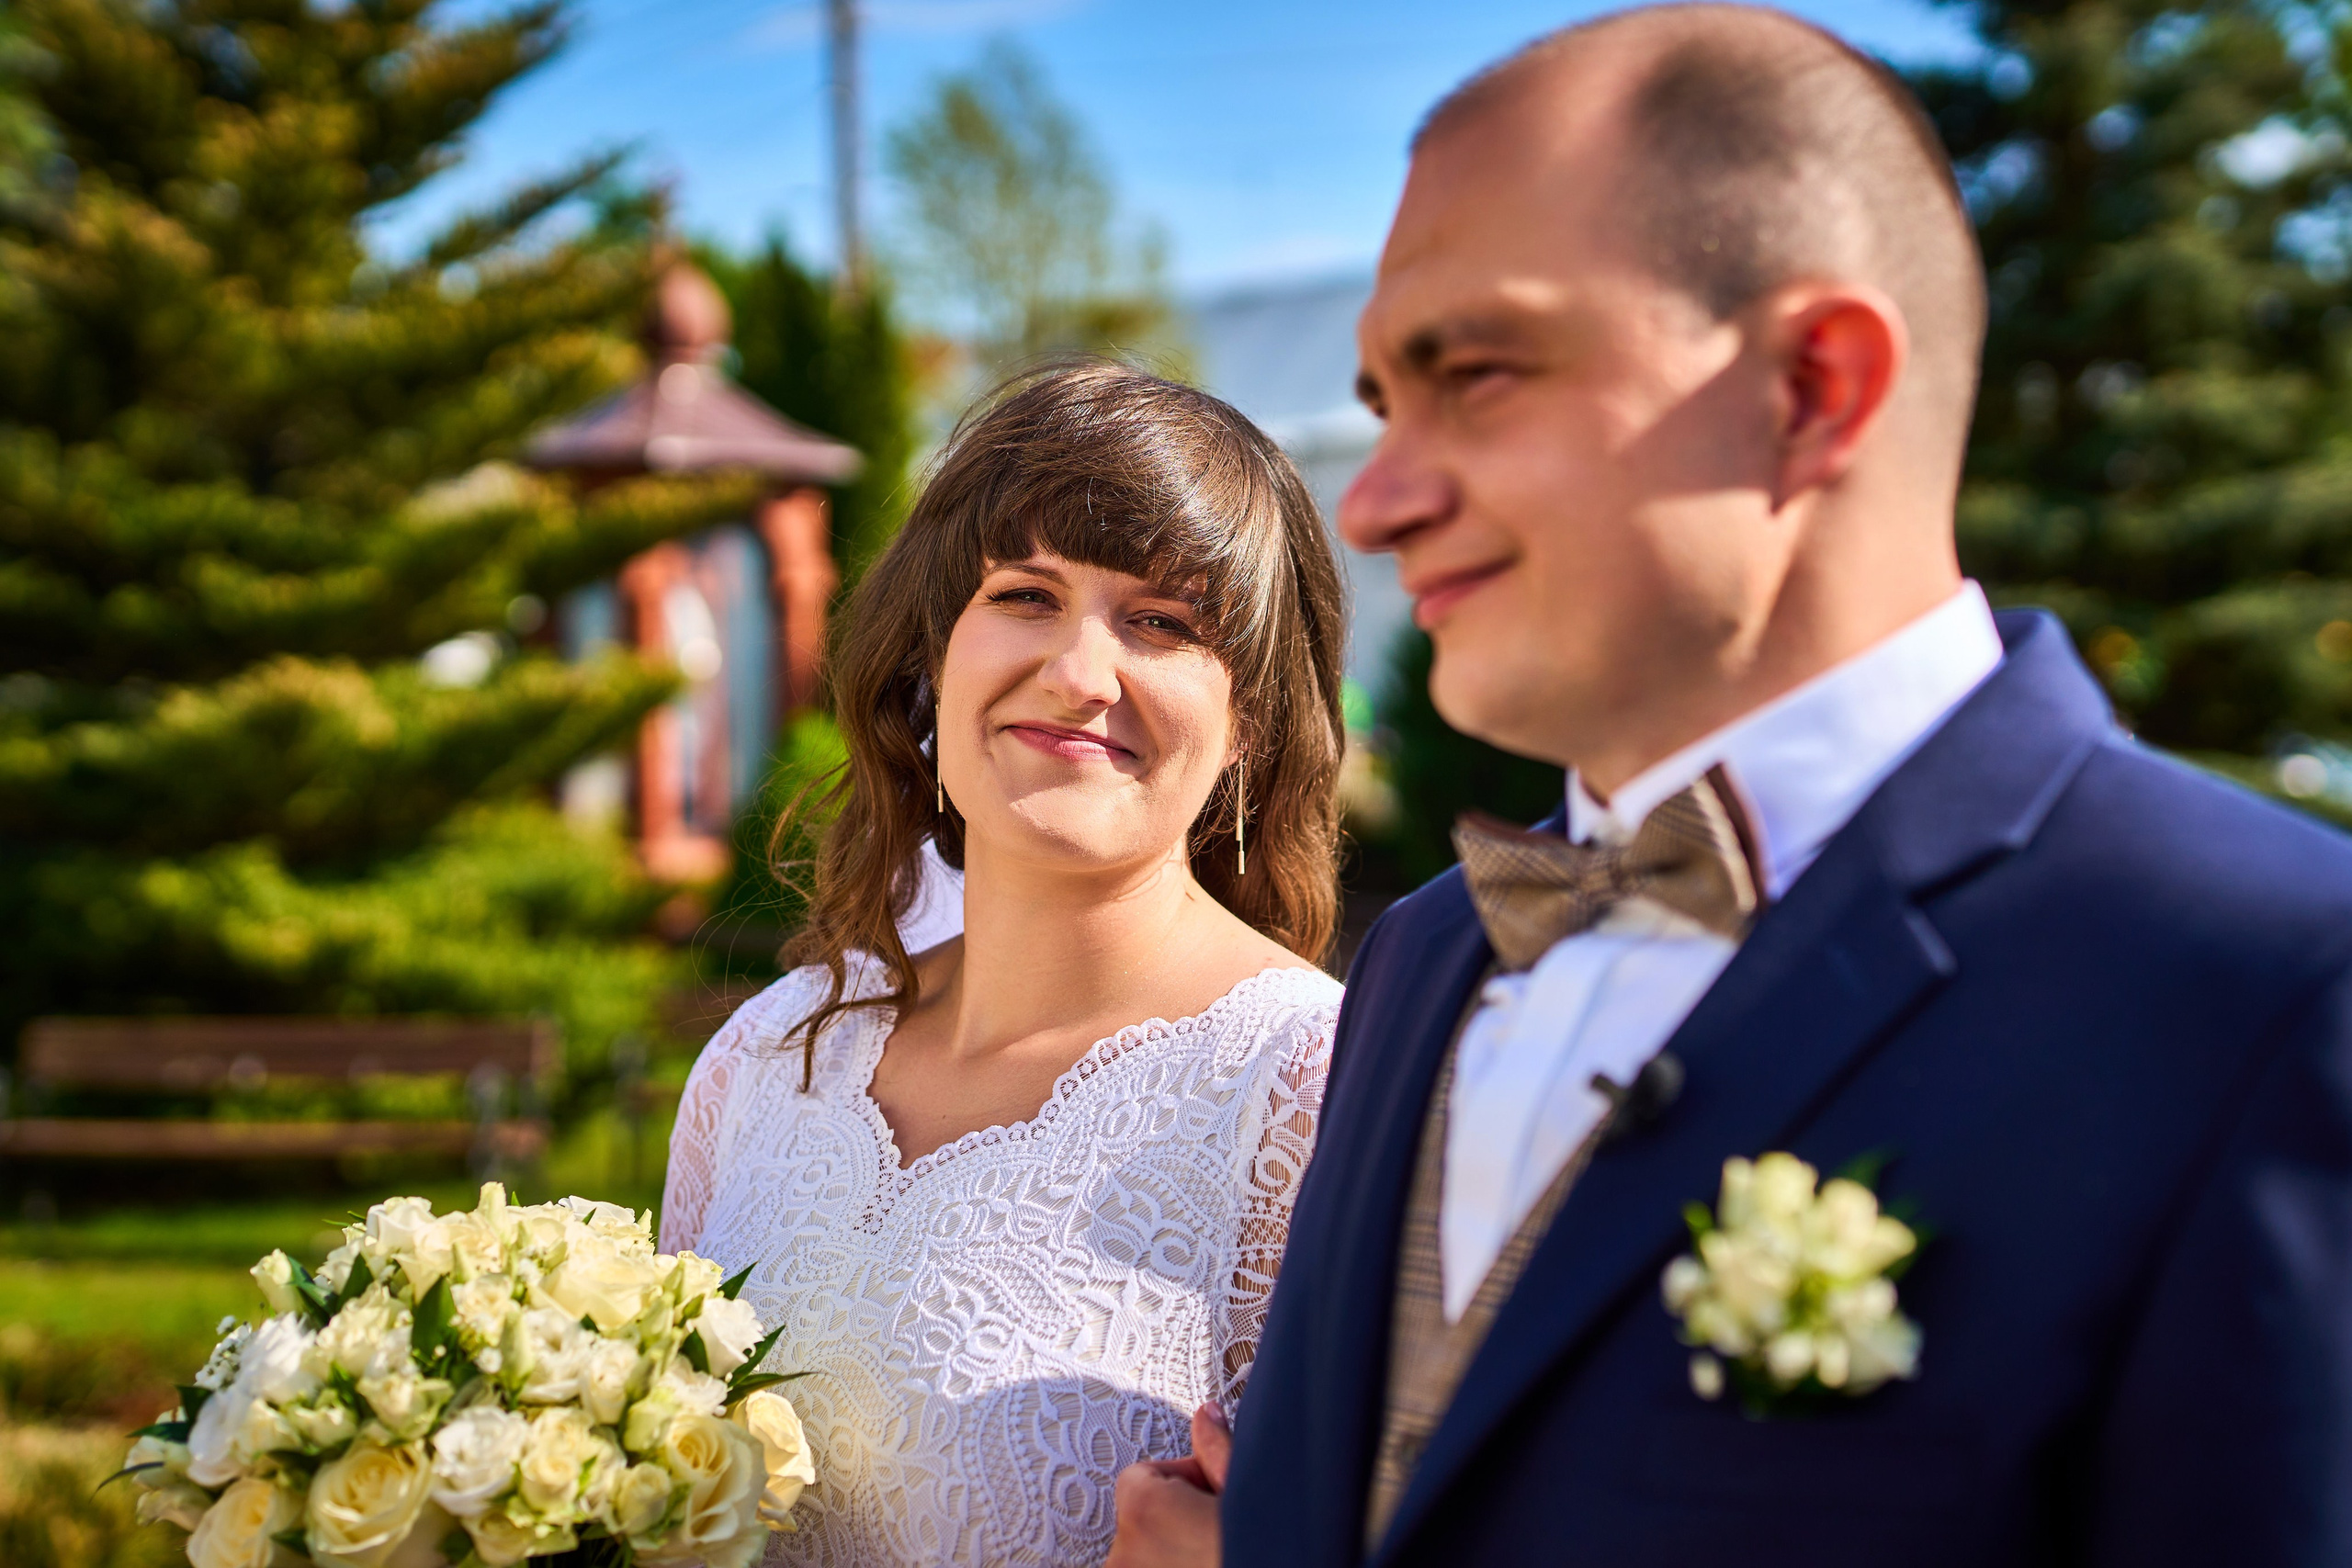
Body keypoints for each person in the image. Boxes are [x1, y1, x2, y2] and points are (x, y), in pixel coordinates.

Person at [1108, 7, 2352, 1567]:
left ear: (1815, 386)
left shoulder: (2267, 989)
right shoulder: (1426, 960)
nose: (1380, 503)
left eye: (1476, 374)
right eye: (1378, 407)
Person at [663, 360, 1350, 1566]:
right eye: (1027, 594)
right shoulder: (759, 1062)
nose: (1080, 673)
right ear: (933, 659)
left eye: (1166, 622)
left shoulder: (1317, 1089)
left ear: (1249, 725)